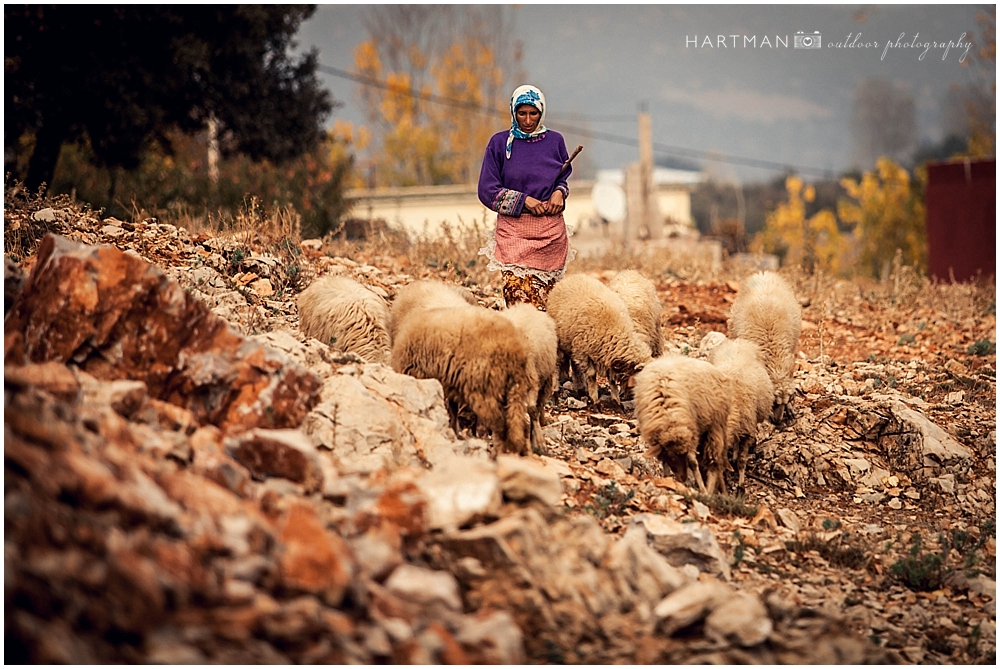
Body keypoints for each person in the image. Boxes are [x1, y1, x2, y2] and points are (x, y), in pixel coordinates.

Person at [478, 84, 573, 311]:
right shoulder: (500, 144)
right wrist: (524, 201)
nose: (528, 120)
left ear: (541, 112)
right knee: (519, 302)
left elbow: (561, 178)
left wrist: (559, 192)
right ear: (513, 112)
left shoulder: (555, 141)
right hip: (514, 235)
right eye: (522, 113)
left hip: (550, 236)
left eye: (534, 113)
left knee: (548, 308)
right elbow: (487, 190)